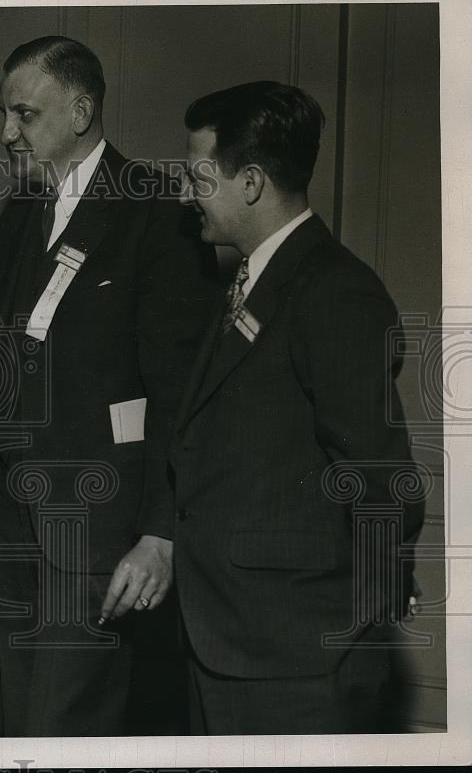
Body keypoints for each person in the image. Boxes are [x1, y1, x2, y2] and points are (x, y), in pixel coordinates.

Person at [171, 80, 424, 734]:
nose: (182, 194)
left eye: (197, 176)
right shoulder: (251, 283)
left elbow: (382, 478)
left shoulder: (335, 292)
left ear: (250, 181)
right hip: (227, 638)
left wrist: (349, 638)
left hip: (295, 658)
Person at [0, 36, 218, 736]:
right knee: (23, 721)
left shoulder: (153, 211)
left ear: (81, 110)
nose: (5, 133)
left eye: (24, 114)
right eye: (4, 114)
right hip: (16, 525)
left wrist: (159, 532)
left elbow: (182, 390)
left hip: (98, 530)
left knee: (68, 725)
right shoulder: (23, 211)